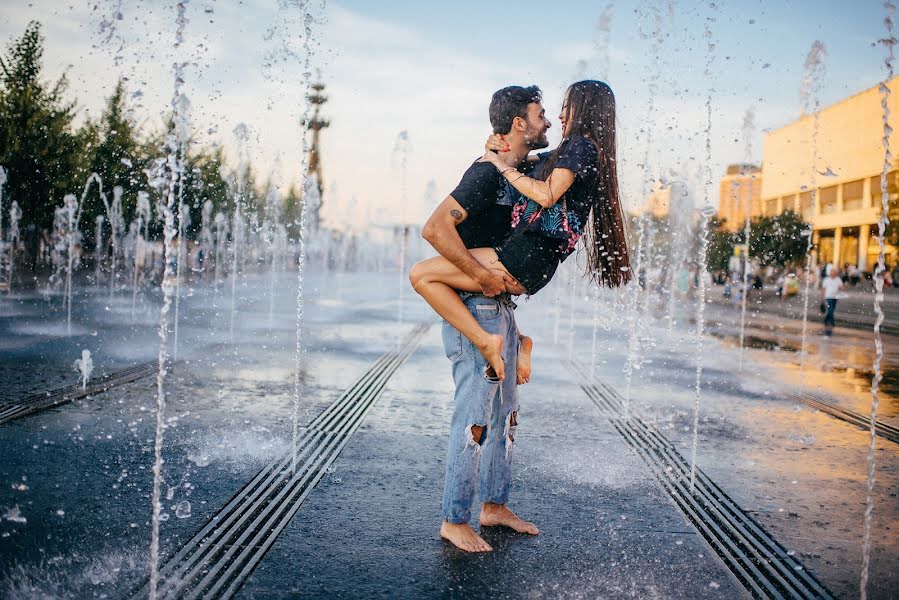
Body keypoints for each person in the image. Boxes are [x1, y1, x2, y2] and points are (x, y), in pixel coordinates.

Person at [410, 80, 632, 382]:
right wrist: (495, 151)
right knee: (439, 269)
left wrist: (498, 165)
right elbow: (528, 162)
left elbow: (547, 194)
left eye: (566, 106)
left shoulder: (581, 146)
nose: (559, 116)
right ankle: (520, 339)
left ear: (585, 108)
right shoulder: (575, 151)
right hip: (532, 261)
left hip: (523, 258)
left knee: (421, 275)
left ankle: (486, 340)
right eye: (547, 113)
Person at [415, 85, 550, 553]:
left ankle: (493, 506)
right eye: (540, 114)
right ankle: (454, 519)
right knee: (474, 414)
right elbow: (435, 228)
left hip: (502, 309)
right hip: (476, 306)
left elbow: (557, 165)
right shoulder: (483, 175)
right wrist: (478, 275)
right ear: (517, 123)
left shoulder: (514, 169)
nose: (548, 122)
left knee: (505, 416)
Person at [821, 265, 844, 333]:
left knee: (831, 310)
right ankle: (832, 322)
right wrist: (822, 298)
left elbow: (841, 287)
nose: (832, 273)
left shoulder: (838, 279)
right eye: (831, 271)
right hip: (828, 297)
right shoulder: (826, 280)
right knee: (830, 310)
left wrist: (841, 288)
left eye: (834, 271)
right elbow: (823, 289)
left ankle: (826, 320)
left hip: (835, 297)